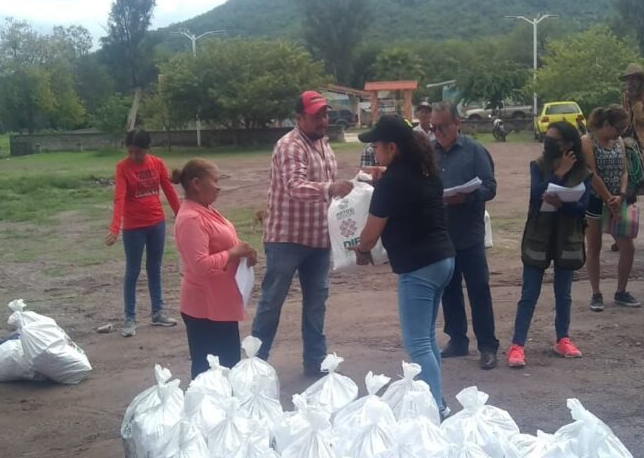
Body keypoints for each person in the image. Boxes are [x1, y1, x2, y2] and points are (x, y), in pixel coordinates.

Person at [350, 115, 456, 418]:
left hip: (418, 266)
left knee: (418, 343)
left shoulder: (393, 183)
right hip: (443, 259)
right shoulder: (425, 171)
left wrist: (359, 249)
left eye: (377, 146)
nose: (374, 152)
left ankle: (435, 409)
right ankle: (438, 402)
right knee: (427, 339)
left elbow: (370, 235)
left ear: (392, 147)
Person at [252, 91, 354, 376]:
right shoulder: (289, 145)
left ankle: (316, 362)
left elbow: (329, 184)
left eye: (325, 114)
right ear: (298, 118)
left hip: (319, 239)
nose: (323, 120)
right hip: (287, 239)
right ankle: (255, 366)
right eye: (316, 115)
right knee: (272, 302)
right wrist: (329, 189)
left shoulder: (324, 143)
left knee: (316, 303)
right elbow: (294, 186)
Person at [507, 121, 591, 368]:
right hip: (539, 235)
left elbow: (584, 205)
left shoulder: (583, 171)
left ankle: (562, 339)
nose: (548, 142)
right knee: (529, 293)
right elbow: (536, 194)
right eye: (548, 138)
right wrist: (559, 174)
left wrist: (563, 204)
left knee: (563, 293)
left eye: (555, 139)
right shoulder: (538, 166)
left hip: (567, 236)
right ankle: (517, 346)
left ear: (568, 144)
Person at [171, 159, 257, 378]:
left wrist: (244, 253)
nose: (219, 186)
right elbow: (199, 265)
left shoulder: (206, 210)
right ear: (197, 183)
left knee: (228, 366)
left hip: (220, 304)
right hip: (204, 308)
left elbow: (224, 242)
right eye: (215, 181)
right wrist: (232, 254)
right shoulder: (191, 218)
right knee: (208, 372)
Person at [431, 102, 500, 370]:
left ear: (456, 123)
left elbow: (490, 187)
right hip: (441, 234)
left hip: (469, 233)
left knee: (478, 290)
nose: (438, 132)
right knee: (448, 290)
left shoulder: (475, 151)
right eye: (434, 127)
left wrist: (469, 197)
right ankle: (457, 340)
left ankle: (487, 346)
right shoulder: (429, 152)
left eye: (443, 126)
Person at [106, 129, 181, 337]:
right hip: (133, 228)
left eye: (138, 152)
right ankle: (130, 318)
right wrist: (115, 227)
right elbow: (119, 198)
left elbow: (169, 190)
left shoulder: (157, 163)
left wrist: (181, 215)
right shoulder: (122, 167)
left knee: (154, 268)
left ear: (147, 149)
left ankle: (158, 313)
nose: (134, 156)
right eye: (130, 152)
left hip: (156, 223)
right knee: (132, 271)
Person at [581, 105, 639, 311]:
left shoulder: (619, 142)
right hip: (596, 200)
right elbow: (591, 173)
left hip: (617, 199)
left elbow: (624, 171)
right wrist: (608, 199)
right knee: (594, 247)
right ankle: (596, 293)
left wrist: (620, 195)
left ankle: (621, 291)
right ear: (606, 124)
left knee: (627, 247)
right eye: (618, 128)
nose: (620, 133)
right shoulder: (587, 141)